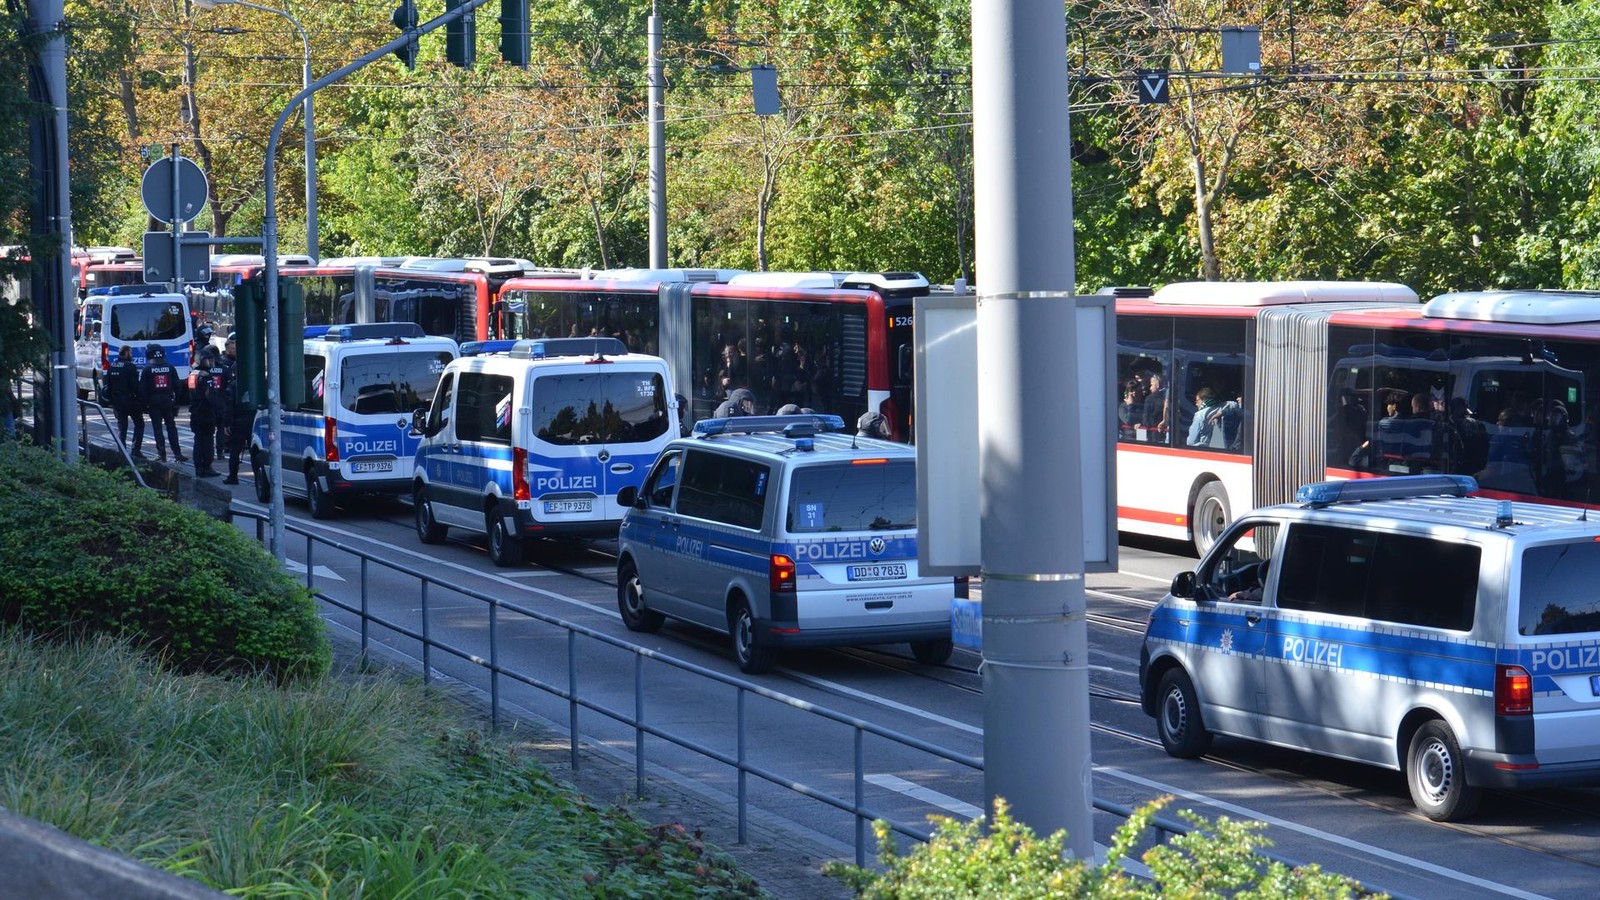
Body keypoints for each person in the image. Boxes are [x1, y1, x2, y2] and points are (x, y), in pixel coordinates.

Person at [138, 343, 185, 463]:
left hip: (153, 401)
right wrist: (177, 402)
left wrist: (144, 405)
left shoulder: (147, 369)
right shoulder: (170, 367)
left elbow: (142, 389)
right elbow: (178, 386)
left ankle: (161, 454)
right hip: (167, 400)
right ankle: (177, 454)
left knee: (157, 428)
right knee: (171, 427)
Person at [221, 332, 254, 484]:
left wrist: (226, 423)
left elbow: (229, 405)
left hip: (238, 421)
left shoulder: (233, 386)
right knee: (255, 451)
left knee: (235, 450)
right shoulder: (254, 384)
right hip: (253, 420)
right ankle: (260, 477)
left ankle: (233, 476)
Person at [188, 352, 228, 477]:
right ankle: (207, 466)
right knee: (207, 442)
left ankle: (198, 467)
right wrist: (218, 408)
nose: (211, 363)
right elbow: (210, 395)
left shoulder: (193, 373)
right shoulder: (206, 376)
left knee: (198, 441)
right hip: (206, 413)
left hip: (195, 411)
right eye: (208, 360)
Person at [104, 345, 146, 457]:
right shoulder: (130, 367)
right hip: (130, 401)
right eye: (130, 353)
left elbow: (108, 385)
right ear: (126, 353)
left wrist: (111, 401)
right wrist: (141, 400)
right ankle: (135, 450)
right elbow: (135, 386)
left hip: (117, 401)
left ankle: (121, 451)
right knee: (139, 424)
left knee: (122, 427)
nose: (131, 355)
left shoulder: (112, 366)